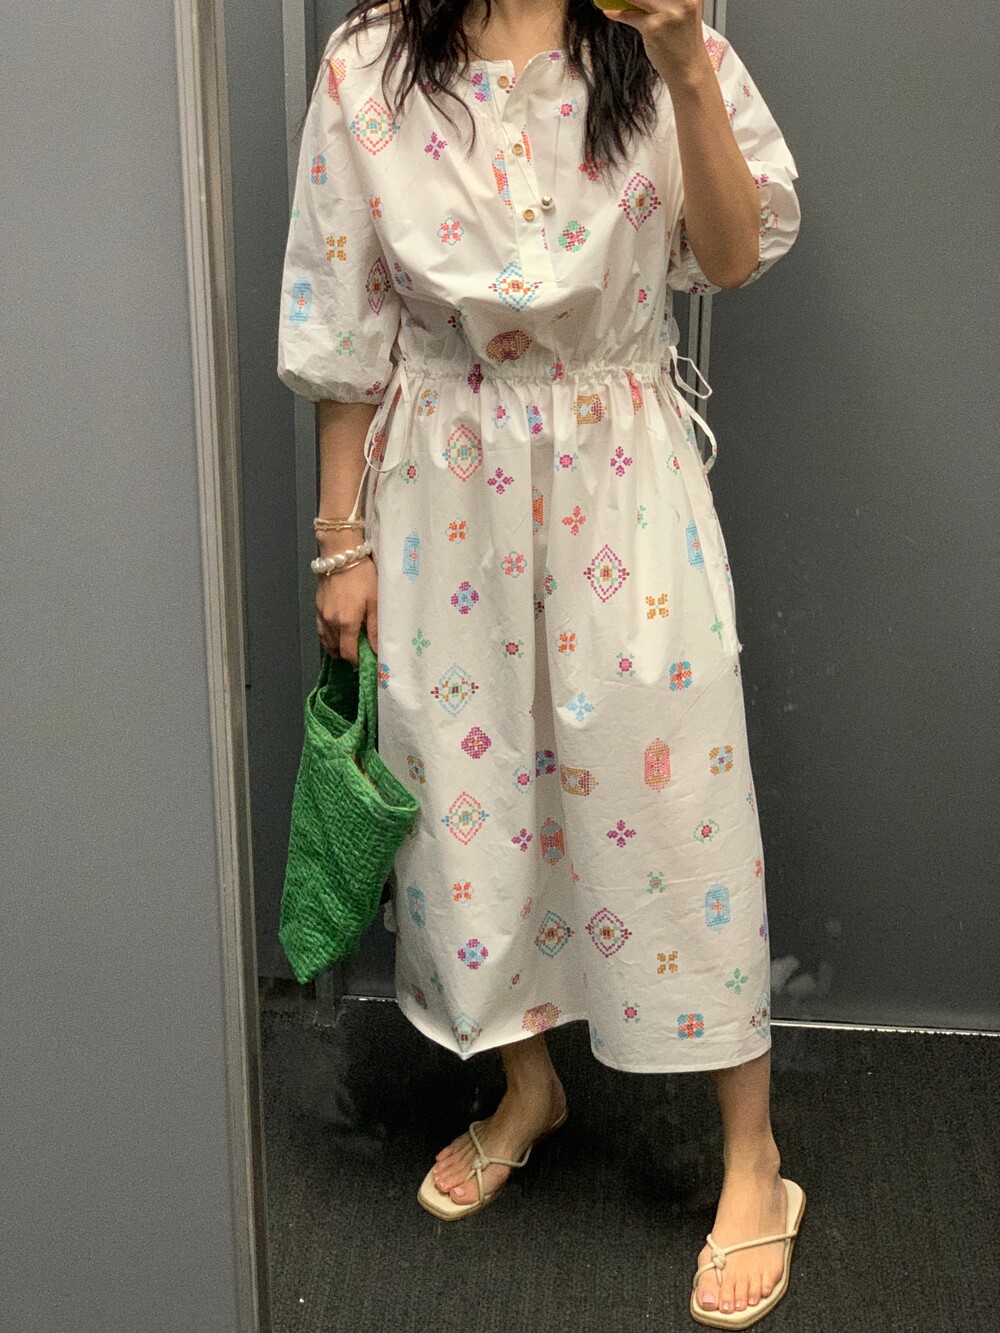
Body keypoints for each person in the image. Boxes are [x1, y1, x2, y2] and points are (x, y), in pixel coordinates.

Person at [278, 1, 803, 1323]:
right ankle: (529, 1084)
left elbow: (733, 258)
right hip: (440, 488)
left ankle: (755, 1154)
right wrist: (340, 543)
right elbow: (345, 325)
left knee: (678, 804)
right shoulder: (368, 64)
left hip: (621, 475)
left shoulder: (663, 44)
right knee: (471, 807)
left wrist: (683, 63)